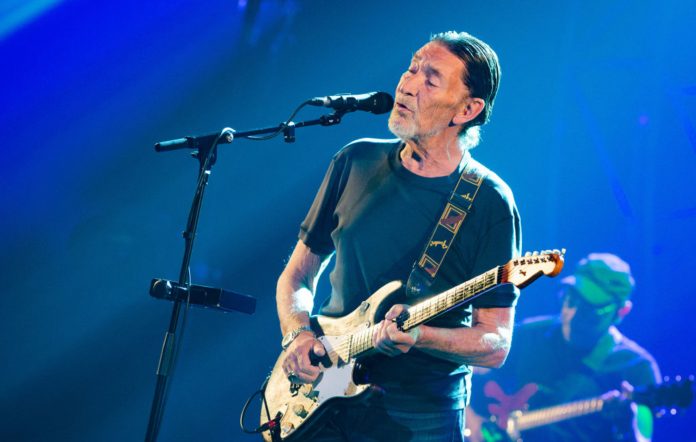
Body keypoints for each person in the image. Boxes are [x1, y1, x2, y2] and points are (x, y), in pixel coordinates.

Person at [275, 31, 522, 441]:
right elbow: (297, 276)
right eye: (412, 68)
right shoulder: (355, 160)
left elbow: (495, 343)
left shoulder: (489, 201)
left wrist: (421, 335)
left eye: (431, 79)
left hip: (419, 417)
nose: (407, 84)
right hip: (323, 398)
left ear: (467, 109)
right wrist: (298, 334)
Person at [466, 253, 661, 442]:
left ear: (622, 311)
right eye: (571, 299)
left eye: (590, 310)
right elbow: (461, 373)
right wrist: (472, 420)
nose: (573, 314)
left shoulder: (636, 367)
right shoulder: (528, 335)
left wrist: (628, 428)